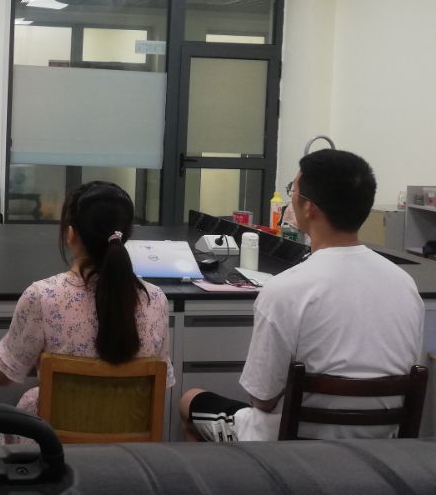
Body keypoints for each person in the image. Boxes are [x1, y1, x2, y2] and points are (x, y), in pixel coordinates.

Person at [180, 149, 424, 442]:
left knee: (190, 401)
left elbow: (262, 399)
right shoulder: (405, 285)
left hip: (290, 448)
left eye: (293, 190)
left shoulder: (285, 290)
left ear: (309, 208)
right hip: (379, 446)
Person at [0, 181, 174, 437]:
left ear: (71, 234)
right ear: (125, 235)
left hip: (57, 450)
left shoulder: (43, 297)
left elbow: (3, 377)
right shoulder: (155, 299)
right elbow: (163, 383)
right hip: (128, 450)